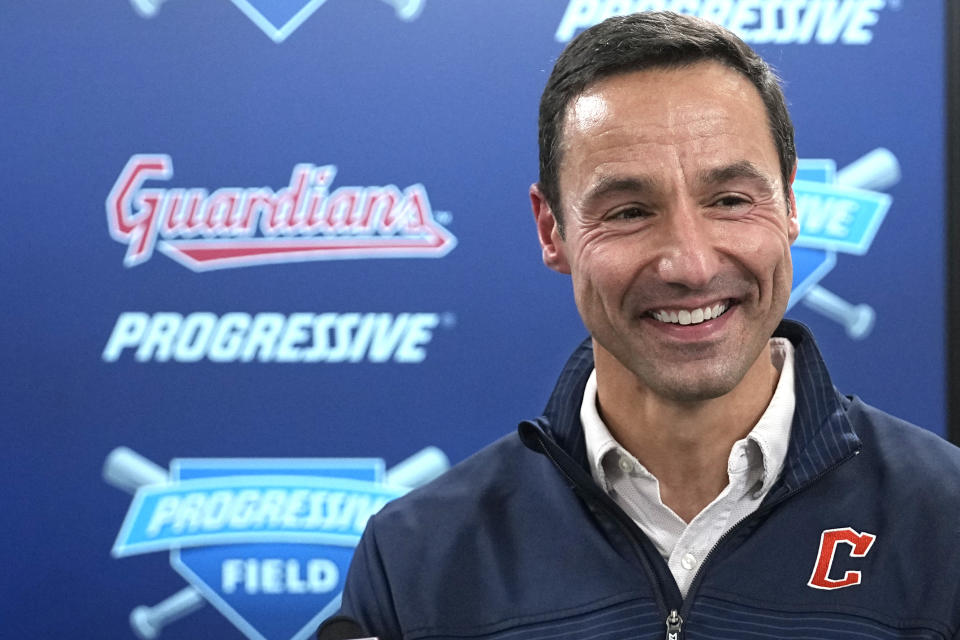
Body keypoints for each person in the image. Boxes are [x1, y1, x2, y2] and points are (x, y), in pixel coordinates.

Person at [333, 11, 960, 640]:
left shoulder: (947, 519)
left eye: (731, 201)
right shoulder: (415, 559)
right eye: (630, 211)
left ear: (791, 205)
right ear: (552, 231)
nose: (690, 264)